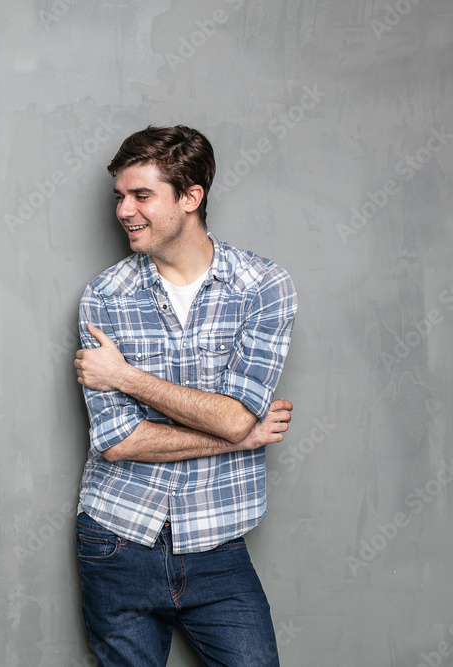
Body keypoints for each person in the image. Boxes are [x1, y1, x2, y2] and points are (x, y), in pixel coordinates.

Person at [72, 125, 298, 666]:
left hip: (218, 543)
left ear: (191, 197)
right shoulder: (106, 296)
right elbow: (119, 442)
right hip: (116, 538)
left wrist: (127, 377)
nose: (124, 210)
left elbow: (237, 416)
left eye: (142, 195)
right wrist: (240, 438)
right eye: (120, 197)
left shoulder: (263, 287)